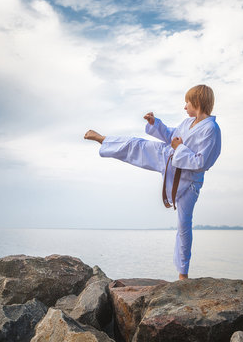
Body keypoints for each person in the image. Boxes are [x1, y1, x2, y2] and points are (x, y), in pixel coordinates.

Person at [84, 85, 222, 280]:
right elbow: (171, 135)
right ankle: (102, 139)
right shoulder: (187, 123)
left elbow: (201, 162)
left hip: (189, 182)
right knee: (136, 144)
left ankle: (183, 274)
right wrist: (155, 123)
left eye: (187, 103)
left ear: (197, 102)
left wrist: (180, 147)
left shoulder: (211, 130)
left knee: (183, 225)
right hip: (169, 159)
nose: (185, 107)